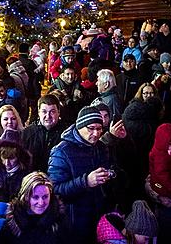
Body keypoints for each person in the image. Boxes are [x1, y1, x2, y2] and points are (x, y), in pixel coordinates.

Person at [48, 105, 115, 244]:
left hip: (99, 217)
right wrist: (86, 182)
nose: (96, 134)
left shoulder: (101, 147)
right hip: (73, 221)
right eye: (91, 128)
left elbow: (110, 169)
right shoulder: (61, 152)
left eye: (99, 129)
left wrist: (111, 174)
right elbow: (55, 189)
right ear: (80, 127)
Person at [0, 171, 69, 243]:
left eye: (45, 196)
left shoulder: (59, 219)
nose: (41, 202)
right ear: (26, 196)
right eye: (35, 197)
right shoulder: (13, 221)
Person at [0, 128, 32, 202]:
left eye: (12, 158)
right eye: (4, 158)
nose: (7, 163)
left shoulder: (26, 174)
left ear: (19, 156)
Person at [22, 94, 64, 172]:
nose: (48, 116)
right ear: (38, 113)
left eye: (52, 112)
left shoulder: (66, 134)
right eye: (44, 112)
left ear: (58, 112)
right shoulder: (27, 134)